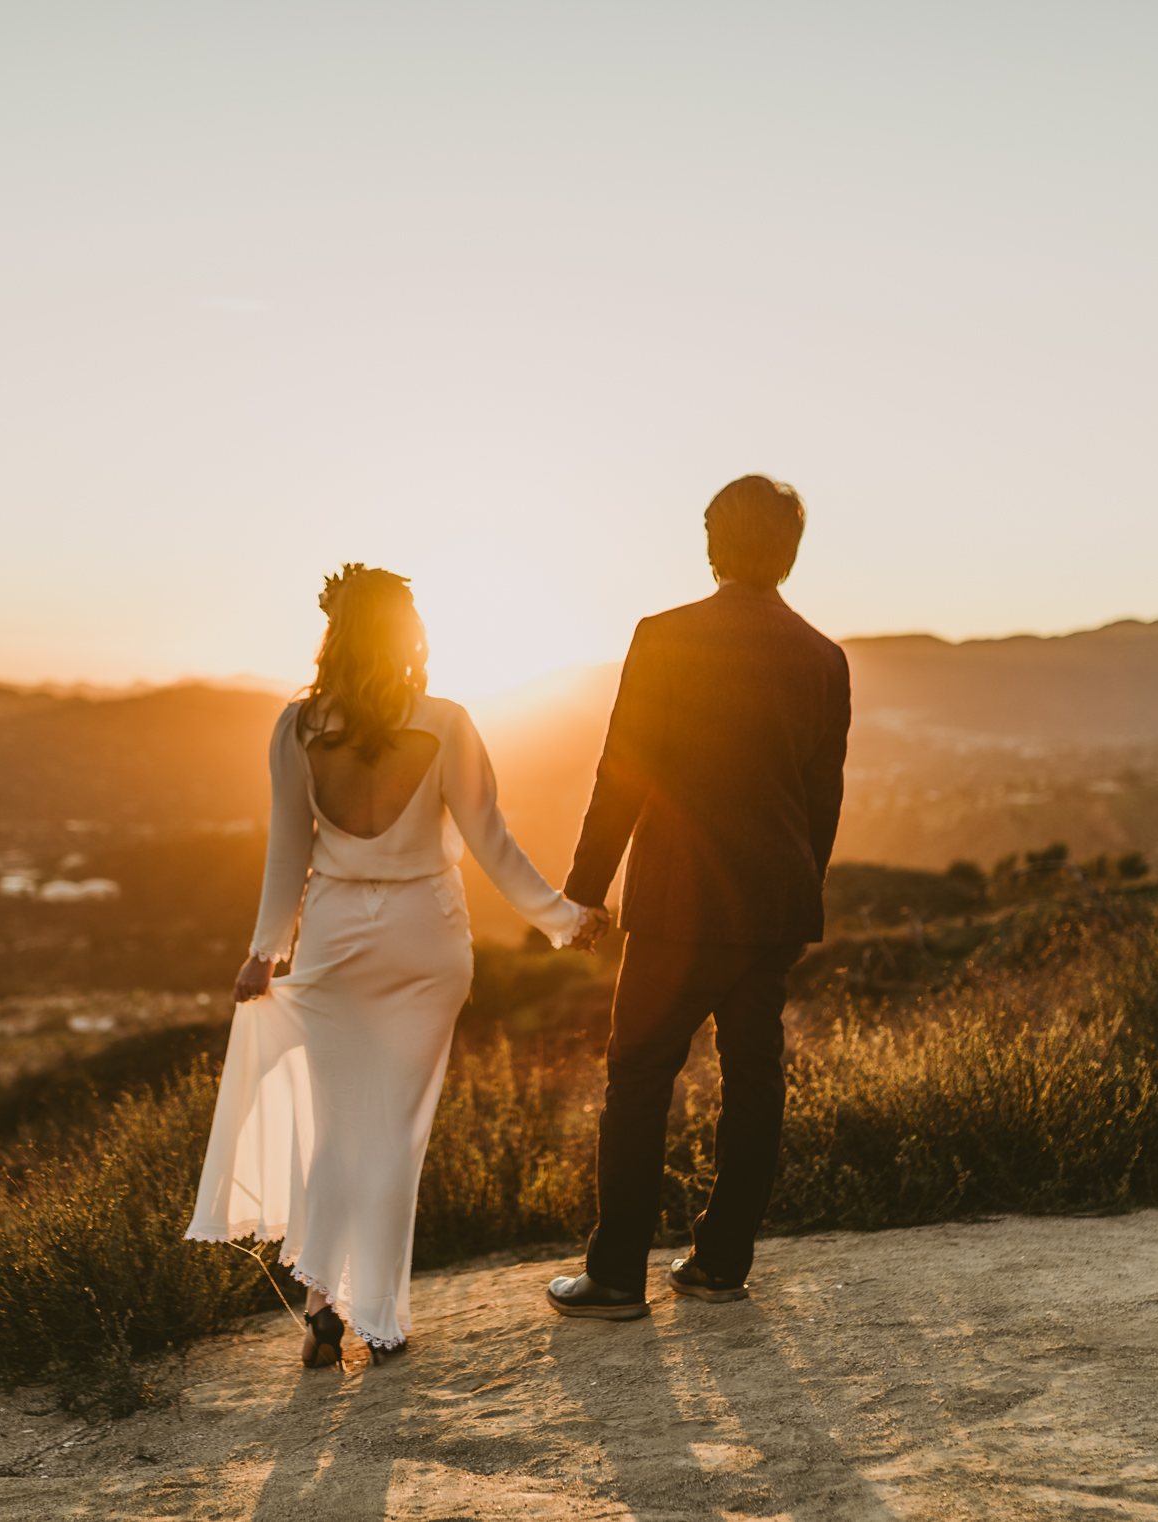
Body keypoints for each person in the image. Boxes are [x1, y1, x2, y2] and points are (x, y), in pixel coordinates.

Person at [186, 563, 591, 1367]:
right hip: (426, 942)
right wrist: (562, 917)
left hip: (337, 940)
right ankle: (380, 1318)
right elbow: (492, 844)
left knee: (338, 1130)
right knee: (394, 1139)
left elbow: (286, 855)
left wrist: (265, 953)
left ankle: (321, 1307)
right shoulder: (446, 723)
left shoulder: (297, 728)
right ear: (408, 634)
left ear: (334, 631)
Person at [545, 475, 851, 1320]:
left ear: (713, 542)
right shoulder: (825, 658)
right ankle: (720, 1264)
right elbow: (821, 800)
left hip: (680, 904)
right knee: (755, 1080)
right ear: (789, 550)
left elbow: (623, 773)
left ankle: (614, 1277)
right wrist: (797, 891)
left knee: (639, 1075)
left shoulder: (665, 637)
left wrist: (584, 890)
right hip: (773, 906)